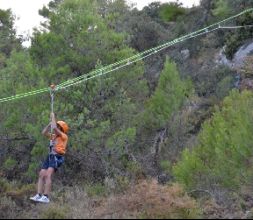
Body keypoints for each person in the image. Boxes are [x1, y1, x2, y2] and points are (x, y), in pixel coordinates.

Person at [30, 112, 69, 203]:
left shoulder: (64, 136)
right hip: (50, 155)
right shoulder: (54, 136)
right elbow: (43, 132)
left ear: (61, 129)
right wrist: (49, 124)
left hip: (57, 156)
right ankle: (39, 194)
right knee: (41, 174)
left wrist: (53, 117)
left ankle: (46, 196)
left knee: (48, 175)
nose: (57, 127)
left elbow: (55, 128)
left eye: (59, 126)